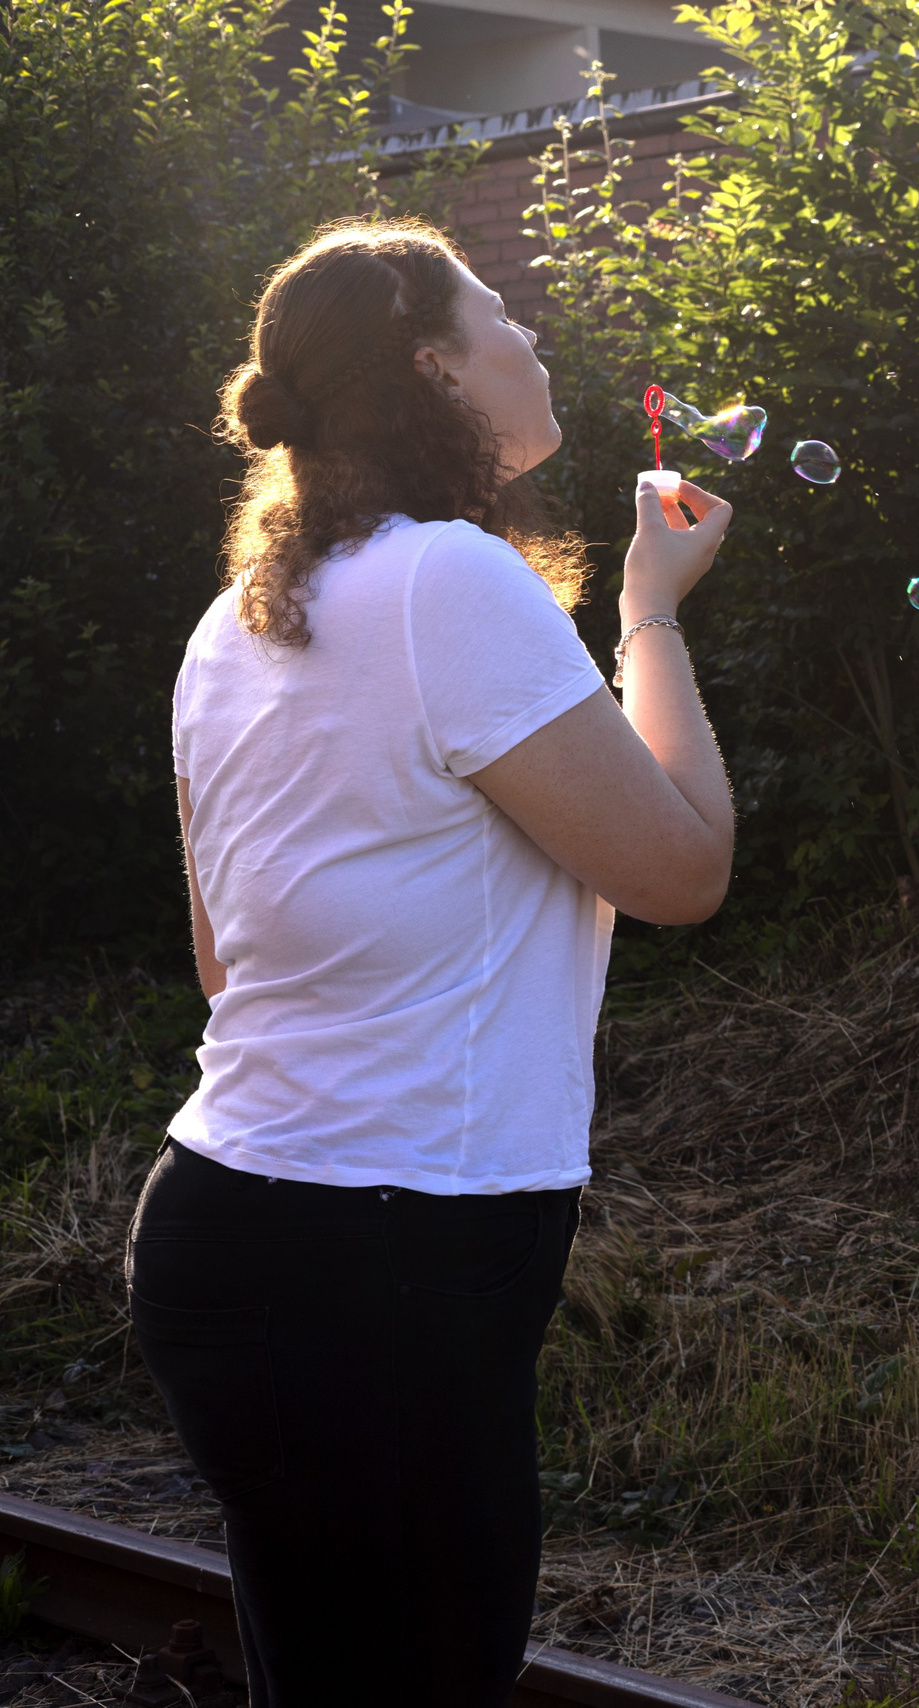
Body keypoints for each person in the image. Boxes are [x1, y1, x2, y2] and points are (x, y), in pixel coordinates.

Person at [127, 219, 735, 1706]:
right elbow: (683, 871)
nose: (532, 340)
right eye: (503, 317)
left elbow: (226, 961)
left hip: (227, 1228)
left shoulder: (232, 623)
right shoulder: (453, 580)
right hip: (385, 1262)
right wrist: (650, 612)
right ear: (434, 373)